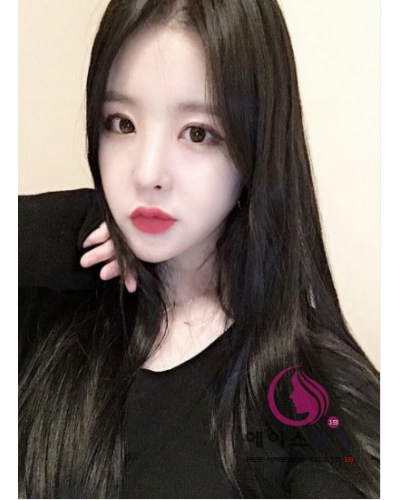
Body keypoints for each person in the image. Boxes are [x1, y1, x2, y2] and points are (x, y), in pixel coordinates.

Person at [18, 0, 380, 498]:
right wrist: (75, 223)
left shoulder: (318, 398)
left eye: (197, 133)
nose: (147, 173)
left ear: (257, 145)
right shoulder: (53, 305)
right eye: (121, 123)